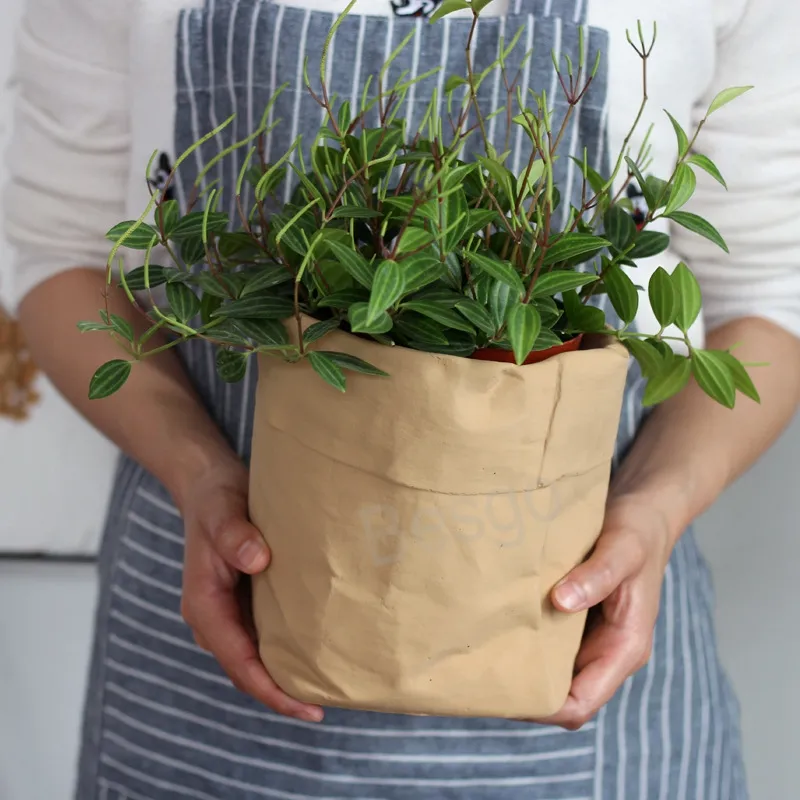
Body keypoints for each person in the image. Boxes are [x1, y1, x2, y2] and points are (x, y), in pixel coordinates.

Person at [5, 0, 800, 797]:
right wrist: (195, 469)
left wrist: (655, 509)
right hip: (202, 672)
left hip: (580, 674)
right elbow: (62, 253)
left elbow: (768, 298)